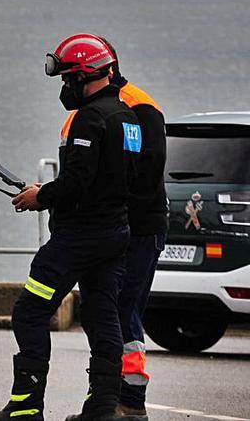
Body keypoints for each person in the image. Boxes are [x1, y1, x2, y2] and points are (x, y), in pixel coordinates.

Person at [0, 34, 141, 421]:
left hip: (78, 238)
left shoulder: (90, 118)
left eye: (68, 78)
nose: (65, 87)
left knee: (30, 311)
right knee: (103, 319)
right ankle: (101, 411)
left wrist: (40, 196)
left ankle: (25, 410)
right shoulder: (128, 118)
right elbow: (127, 180)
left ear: (85, 76)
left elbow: (78, 182)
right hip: (115, 233)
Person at [95, 37, 168, 418]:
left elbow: (149, 164)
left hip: (138, 227)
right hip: (117, 225)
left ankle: (131, 402)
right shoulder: (97, 107)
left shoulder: (137, 104)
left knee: (124, 309)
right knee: (111, 310)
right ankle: (108, 401)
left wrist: (117, 206)